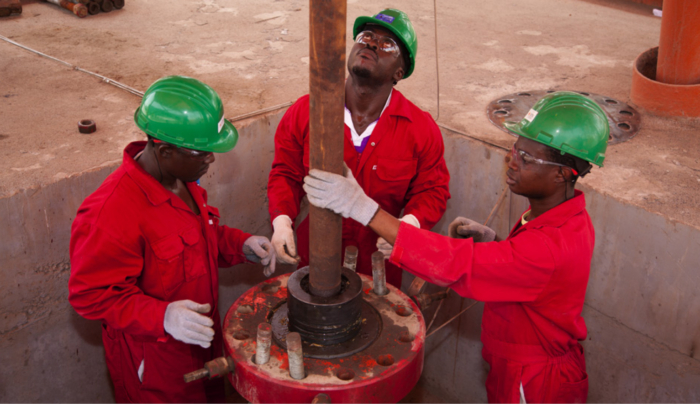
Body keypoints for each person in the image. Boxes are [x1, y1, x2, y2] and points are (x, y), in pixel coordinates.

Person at [303, 91, 609, 403]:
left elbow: (458, 264)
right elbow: (533, 270)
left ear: (561, 174)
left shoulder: (548, 247)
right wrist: (498, 246)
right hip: (518, 364)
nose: (512, 161)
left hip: (535, 383)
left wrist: (363, 208)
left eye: (526, 158)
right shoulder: (565, 216)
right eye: (515, 149)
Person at [68, 76, 276, 403]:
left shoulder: (182, 178)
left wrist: (241, 245)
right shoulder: (110, 214)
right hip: (155, 365)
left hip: (200, 343)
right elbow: (90, 296)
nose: (211, 159)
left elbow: (198, 238)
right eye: (203, 152)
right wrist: (162, 317)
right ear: (164, 150)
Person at [267, 8, 450, 287]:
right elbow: (286, 172)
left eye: (387, 44)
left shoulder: (420, 129)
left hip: (378, 261)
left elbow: (432, 190)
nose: (372, 44)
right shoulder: (306, 111)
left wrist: (407, 228)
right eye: (366, 36)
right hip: (312, 254)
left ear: (399, 72)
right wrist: (281, 221)